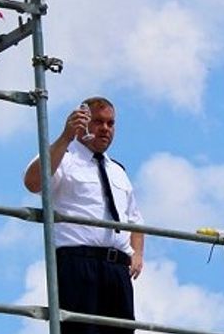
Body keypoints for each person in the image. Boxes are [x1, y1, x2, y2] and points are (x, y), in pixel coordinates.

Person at [23, 96, 144, 334]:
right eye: (98, 122)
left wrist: (137, 253)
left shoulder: (118, 170)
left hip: (116, 268)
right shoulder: (64, 158)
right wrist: (66, 136)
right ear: (83, 122)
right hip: (78, 262)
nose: (105, 129)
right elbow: (33, 182)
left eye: (111, 123)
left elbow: (135, 219)